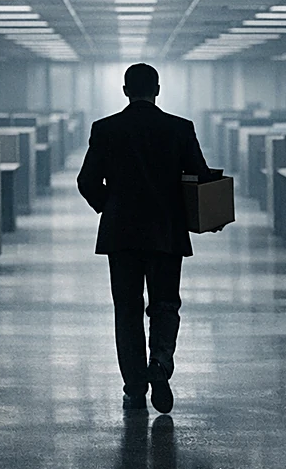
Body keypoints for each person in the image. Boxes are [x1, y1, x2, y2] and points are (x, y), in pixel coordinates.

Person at [77, 63, 216, 413]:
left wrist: (110, 207)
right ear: (158, 89)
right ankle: (161, 364)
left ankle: (135, 387)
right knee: (165, 304)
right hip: (166, 231)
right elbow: (200, 178)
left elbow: (86, 181)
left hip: (121, 234)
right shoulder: (180, 129)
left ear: (125, 90)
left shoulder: (105, 129)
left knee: (127, 310)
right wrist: (208, 215)